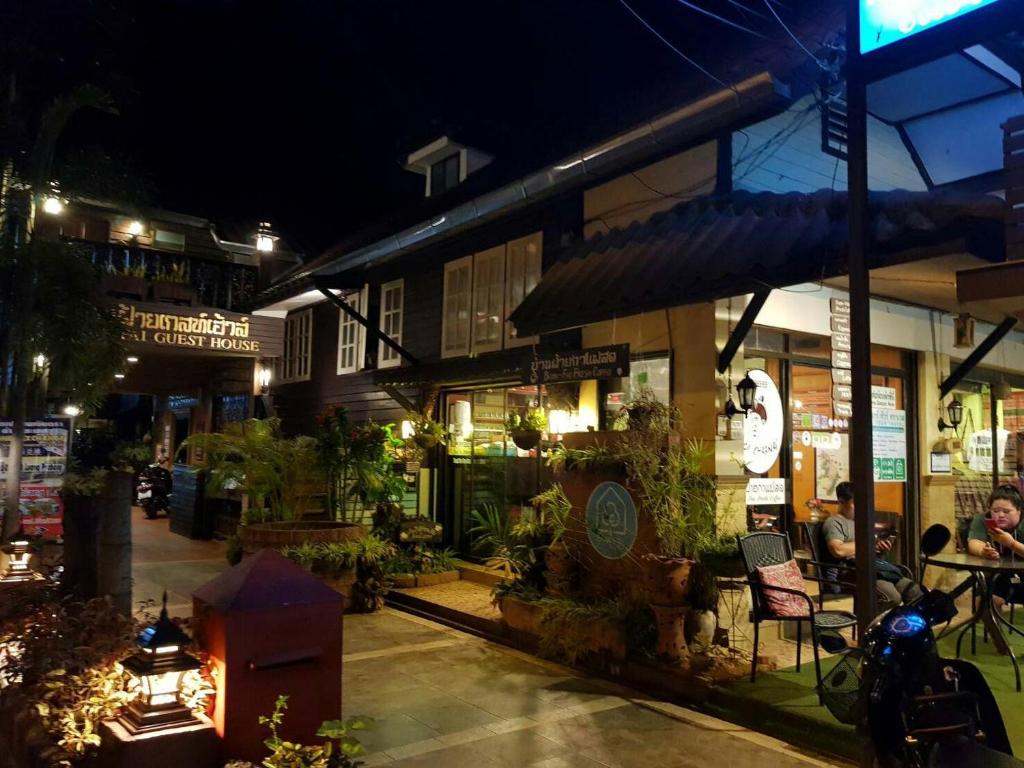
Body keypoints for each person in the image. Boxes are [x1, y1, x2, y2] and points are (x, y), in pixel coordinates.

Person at [821, 481, 923, 610]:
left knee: (914, 590)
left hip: (873, 568)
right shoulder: (834, 522)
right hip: (852, 571)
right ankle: (874, 628)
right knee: (892, 597)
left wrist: (878, 548)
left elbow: (865, 547)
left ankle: (907, 628)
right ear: (841, 502)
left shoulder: (857, 522)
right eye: (855, 503)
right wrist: (868, 543)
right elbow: (838, 550)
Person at [967, 483, 1024, 607]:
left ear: (1019, 511)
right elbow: (974, 542)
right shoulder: (983, 520)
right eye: (996, 511)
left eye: (1007, 511)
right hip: (998, 576)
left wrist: (1011, 543)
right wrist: (983, 551)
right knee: (984, 601)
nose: (1001, 515)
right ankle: (992, 627)